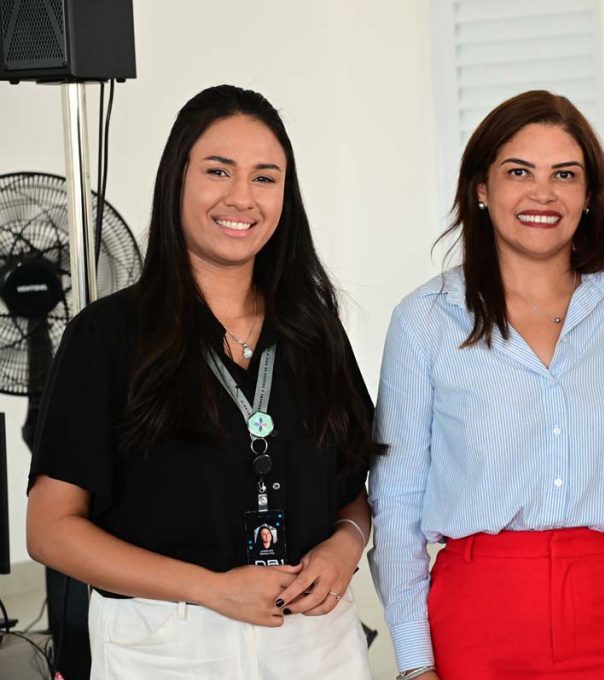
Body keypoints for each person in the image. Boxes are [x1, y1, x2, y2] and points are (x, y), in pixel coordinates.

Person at [26, 85, 379, 679]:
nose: (242, 197)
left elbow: (354, 487)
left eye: (265, 178)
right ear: (177, 180)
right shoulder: (108, 336)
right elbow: (50, 530)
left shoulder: (313, 330)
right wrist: (210, 589)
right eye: (219, 171)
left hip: (313, 644)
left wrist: (345, 546)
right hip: (168, 646)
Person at [369, 90, 604, 680]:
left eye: (565, 174)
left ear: (589, 195)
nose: (543, 193)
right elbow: (397, 498)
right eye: (519, 172)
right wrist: (414, 661)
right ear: (481, 188)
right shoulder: (424, 319)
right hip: (477, 615)